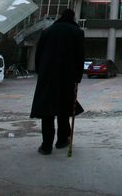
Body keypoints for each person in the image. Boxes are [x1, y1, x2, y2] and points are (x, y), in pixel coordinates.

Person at [30, 8, 84, 155]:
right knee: (64, 109)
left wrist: (40, 71)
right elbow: (80, 57)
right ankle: (62, 140)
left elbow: (38, 54)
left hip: (47, 76)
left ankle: (46, 145)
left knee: (47, 110)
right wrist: (78, 77)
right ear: (72, 18)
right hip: (67, 77)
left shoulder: (47, 31)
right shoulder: (77, 32)